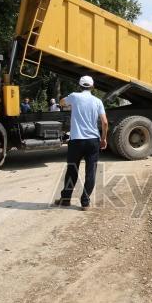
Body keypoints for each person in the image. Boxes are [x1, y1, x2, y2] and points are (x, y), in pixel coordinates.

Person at [54, 75, 107, 210]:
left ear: (80, 86)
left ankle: (66, 199)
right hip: (93, 141)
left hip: (76, 140)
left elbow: (61, 102)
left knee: (72, 170)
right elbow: (105, 122)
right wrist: (103, 139)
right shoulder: (97, 101)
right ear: (92, 87)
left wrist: (66, 102)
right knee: (91, 172)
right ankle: (85, 202)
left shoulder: (74, 97)